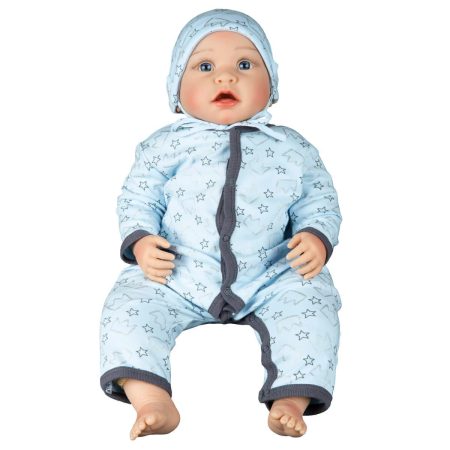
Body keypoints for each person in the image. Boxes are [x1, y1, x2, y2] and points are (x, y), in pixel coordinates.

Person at [99, 8, 343, 440]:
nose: (225, 77)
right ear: (176, 88)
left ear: (272, 84)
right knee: (127, 307)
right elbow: (138, 198)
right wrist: (141, 242)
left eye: (245, 65)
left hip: (272, 273)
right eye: (205, 67)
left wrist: (316, 237)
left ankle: (291, 399)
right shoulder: (164, 146)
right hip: (177, 273)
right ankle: (151, 398)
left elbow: (319, 199)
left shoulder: (293, 148)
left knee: (313, 301)